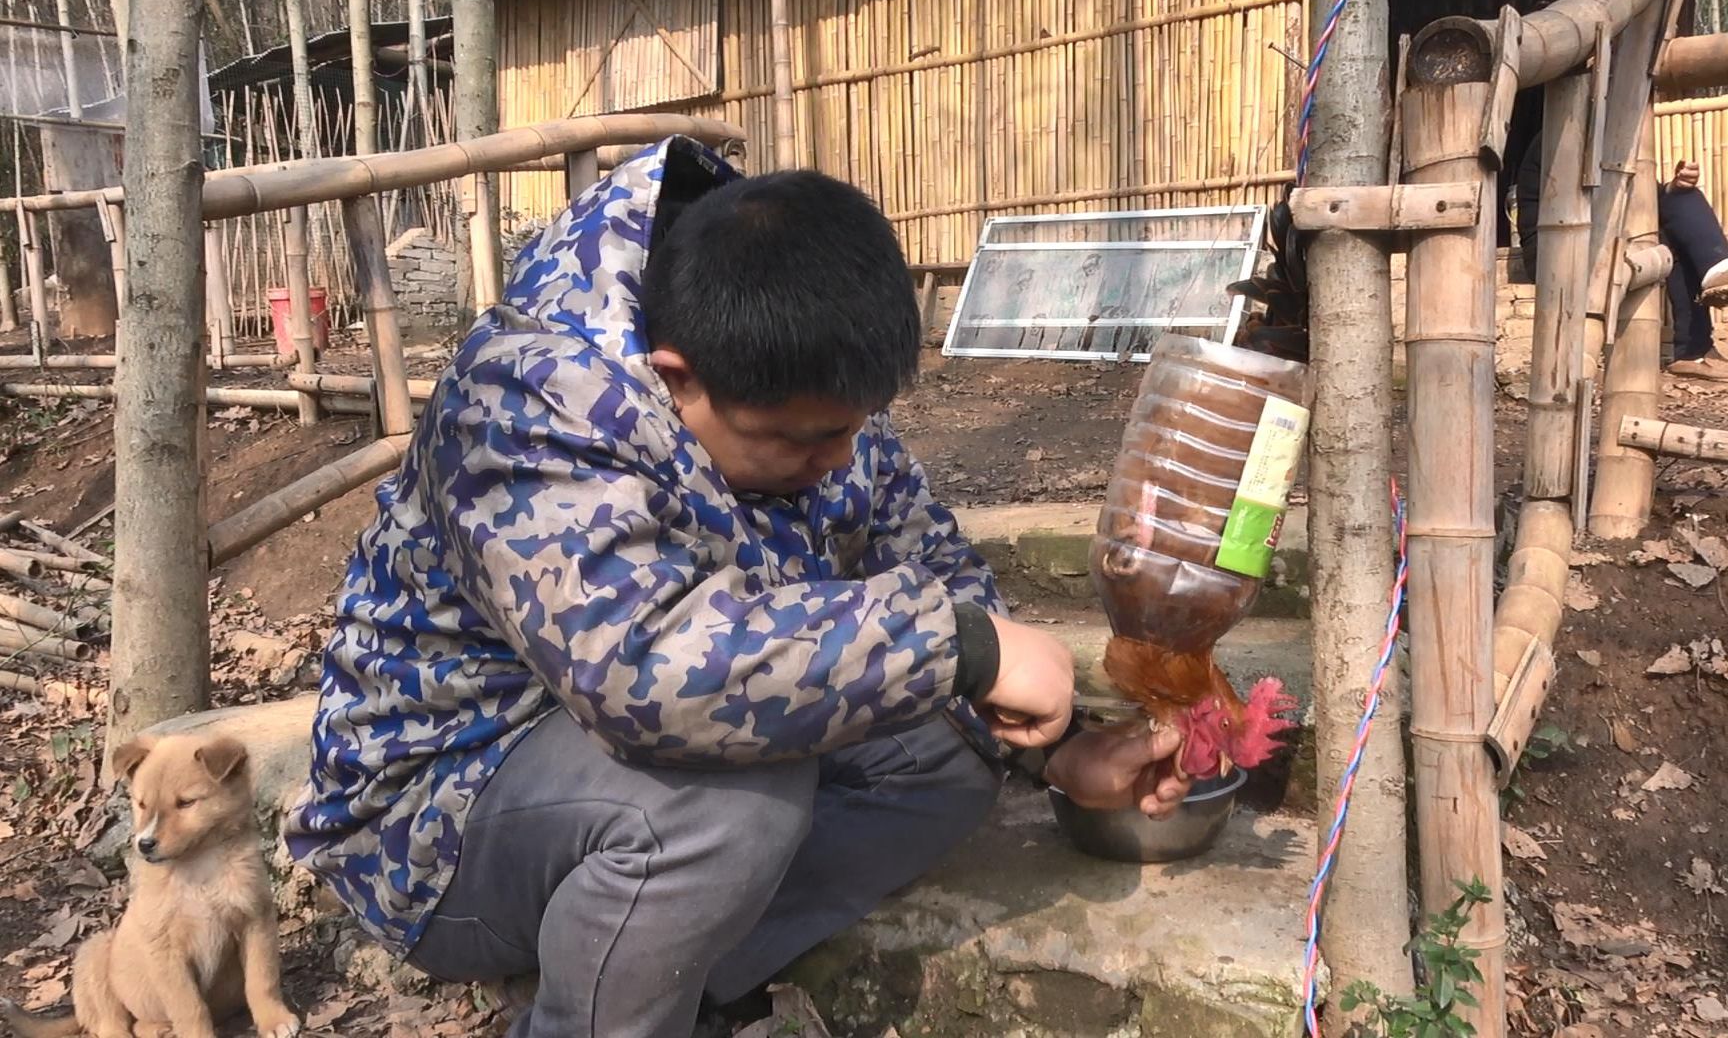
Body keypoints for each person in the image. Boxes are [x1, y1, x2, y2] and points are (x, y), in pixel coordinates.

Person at [283, 137, 1192, 1038]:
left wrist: (1055, 744)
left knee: (943, 752)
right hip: (435, 814)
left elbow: (923, 562)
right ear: (679, 382)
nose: (837, 460)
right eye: (802, 441)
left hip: (598, 770)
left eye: (855, 429)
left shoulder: (785, 370)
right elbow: (642, 672)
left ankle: (668, 987)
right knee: (724, 803)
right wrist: (963, 646)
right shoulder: (522, 401)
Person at [1516, 132, 1728, 380]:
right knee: (1673, 225)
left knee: (1683, 197)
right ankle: (1694, 346)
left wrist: (1675, 186)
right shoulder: (1563, 132)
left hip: (1603, 233)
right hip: (1557, 244)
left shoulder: (1612, 135)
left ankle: (1716, 275)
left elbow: (1648, 198)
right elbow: (1593, 201)